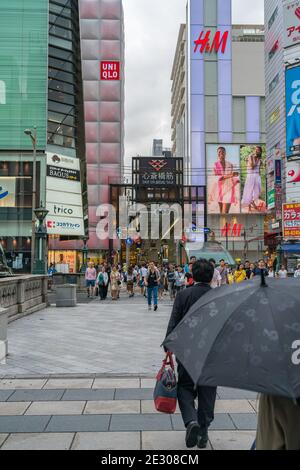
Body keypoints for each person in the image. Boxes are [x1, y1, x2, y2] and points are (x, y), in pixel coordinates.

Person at [164, 259, 217, 449]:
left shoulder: (183, 295)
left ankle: (191, 421)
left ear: (192, 275)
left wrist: (168, 344)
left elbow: (174, 321)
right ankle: (203, 431)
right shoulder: (218, 296)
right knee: (208, 390)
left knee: (185, 386)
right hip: (211, 352)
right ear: (212, 276)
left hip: (187, 350)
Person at [212, 146, 240, 214]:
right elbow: (218, 179)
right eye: (219, 152)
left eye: (223, 152)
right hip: (219, 190)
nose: (221, 153)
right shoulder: (215, 165)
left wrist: (236, 179)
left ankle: (225, 224)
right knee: (222, 213)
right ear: (217, 154)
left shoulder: (230, 164)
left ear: (225, 153)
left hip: (229, 190)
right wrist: (231, 175)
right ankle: (222, 225)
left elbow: (231, 178)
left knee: (225, 213)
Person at [242, 146, 264, 213]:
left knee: (257, 191)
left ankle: (253, 203)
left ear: (260, 152)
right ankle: (249, 208)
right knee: (249, 191)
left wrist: (259, 175)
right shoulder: (251, 156)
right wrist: (257, 160)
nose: (257, 151)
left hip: (257, 176)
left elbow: (259, 168)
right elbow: (252, 167)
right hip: (251, 175)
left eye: (258, 150)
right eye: (256, 150)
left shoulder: (259, 159)